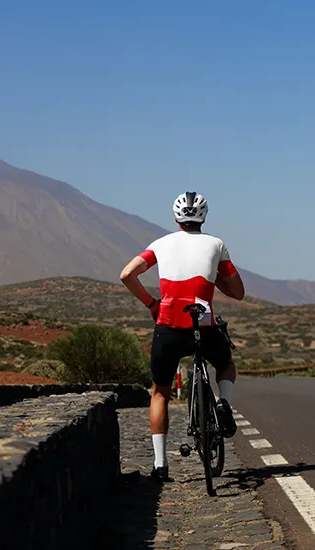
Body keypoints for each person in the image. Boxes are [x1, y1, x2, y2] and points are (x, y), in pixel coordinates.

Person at [119, 191, 245, 481]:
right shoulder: (216, 244)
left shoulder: (160, 245)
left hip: (169, 326)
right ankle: (224, 403)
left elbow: (127, 274)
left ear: (176, 218)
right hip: (205, 325)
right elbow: (238, 292)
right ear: (204, 217)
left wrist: (152, 304)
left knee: (160, 392)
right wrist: (212, 280)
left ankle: (161, 465)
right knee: (225, 366)